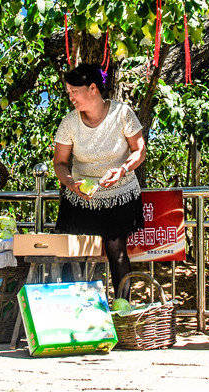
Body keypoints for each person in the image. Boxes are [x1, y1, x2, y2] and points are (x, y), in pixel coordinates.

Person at [53, 63, 146, 297]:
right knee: (74, 252)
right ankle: (73, 308)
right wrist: (70, 182)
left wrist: (123, 170)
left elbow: (139, 151)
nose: (71, 97)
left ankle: (122, 307)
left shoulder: (122, 114)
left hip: (119, 193)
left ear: (92, 88)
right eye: (69, 92)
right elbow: (60, 162)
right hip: (80, 197)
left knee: (117, 250)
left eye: (74, 91)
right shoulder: (69, 123)